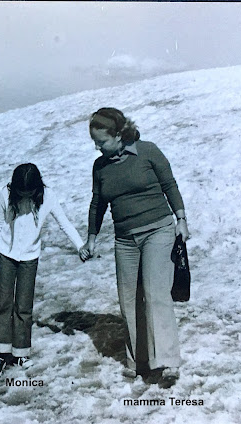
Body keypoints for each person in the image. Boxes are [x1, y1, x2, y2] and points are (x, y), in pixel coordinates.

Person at [79, 107, 190, 386]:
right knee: (128, 299)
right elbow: (97, 204)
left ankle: (166, 362)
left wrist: (181, 219)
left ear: (118, 134)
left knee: (155, 294)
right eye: (94, 141)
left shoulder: (148, 151)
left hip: (158, 230)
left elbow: (170, 185)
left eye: (101, 141)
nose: (97, 146)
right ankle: (138, 359)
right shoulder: (100, 167)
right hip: (124, 239)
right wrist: (91, 238)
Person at [0, 163, 86, 380]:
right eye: (21, 192)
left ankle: (20, 352)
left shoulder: (48, 196)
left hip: (30, 256)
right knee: (3, 303)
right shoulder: (6, 194)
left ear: (36, 188)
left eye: (29, 193)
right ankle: (0, 353)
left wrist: (79, 245)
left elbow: (63, 222)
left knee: (24, 305)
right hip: (6, 253)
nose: (25, 196)